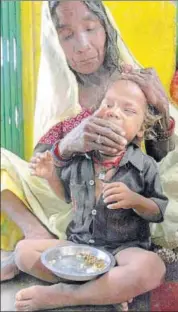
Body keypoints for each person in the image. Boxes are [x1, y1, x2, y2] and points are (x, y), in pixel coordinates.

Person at [1, 0, 177, 279]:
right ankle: (35, 231)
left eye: (90, 28)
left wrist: (162, 109)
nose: (82, 45)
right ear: (54, 40)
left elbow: (160, 157)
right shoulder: (61, 86)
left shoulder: (131, 79)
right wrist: (69, 144)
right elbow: (42, 163)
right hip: (74, 194)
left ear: (106, 28)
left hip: (128, 198)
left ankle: (60, 257)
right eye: (67, 35)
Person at [14, 76, 168, 312]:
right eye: (108, 105)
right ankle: (108, 291)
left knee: (153, 267)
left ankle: (66, 294)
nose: (114, 112)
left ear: (141, 130)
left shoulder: (144, 165)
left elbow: (158, 211)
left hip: (123, 250)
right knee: (23, 253)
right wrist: (50, 175)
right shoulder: (79, 158)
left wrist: (135, 200)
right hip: (79, 245)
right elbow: (66, 196)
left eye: (128, 110)